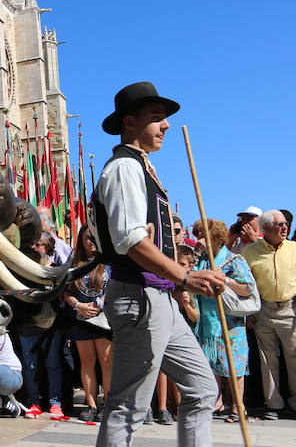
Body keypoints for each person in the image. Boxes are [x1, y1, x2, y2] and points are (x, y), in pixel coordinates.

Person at [90, 81, 224, 447]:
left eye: (164, 119)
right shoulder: (123, 169)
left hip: (159, 297)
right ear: (129, 123)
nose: (165, 126)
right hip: (139, 297)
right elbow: (132, 241)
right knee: (129, 405)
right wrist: (186, 275)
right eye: (157, 118)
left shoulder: (143, 169)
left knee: (201, 387)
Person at [242, 209, 296, 421]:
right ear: (265, 229)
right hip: (263, 310)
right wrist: (248, 313)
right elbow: (246, 283)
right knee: (267, 360)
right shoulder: (250, 251)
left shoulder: (293, 248)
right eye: (279, 224)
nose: (285, 227)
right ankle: (273, 404)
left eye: (285, 224)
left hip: (290, 309)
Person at [192, 219, 254, 424]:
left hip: (230, 322)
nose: (199, 239)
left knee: (234, 367)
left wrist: (225, 279)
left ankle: (238, 407)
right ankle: (215, 403)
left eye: (203, 235)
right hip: (206, 322)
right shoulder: (198, 260)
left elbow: (247, 289)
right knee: (209, 365)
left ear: (216, 238)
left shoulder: (234, 260)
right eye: (197, 234)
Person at [63, 224, 112, 422]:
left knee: (107, 362)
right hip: (80, 319)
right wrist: (77, 306)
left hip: (104, 320)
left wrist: (100, 302)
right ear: (81, 241)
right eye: (86, 238)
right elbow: (64, 289)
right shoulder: (74, 262)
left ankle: (108, 404)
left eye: (94, 237)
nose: (90, 241)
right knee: (87, 362)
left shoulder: (108, 260)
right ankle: (90, 404)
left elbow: (116, 284)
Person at [18, 232, 66, 420]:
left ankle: (56, 404)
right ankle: (34, 403)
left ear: (48, 248)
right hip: (28, 324)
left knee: (53, 364)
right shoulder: (23, 270)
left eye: (40, 244)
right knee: (29, 366)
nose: (35, 248)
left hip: (51, 326)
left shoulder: (56, 270)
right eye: (33, 244)